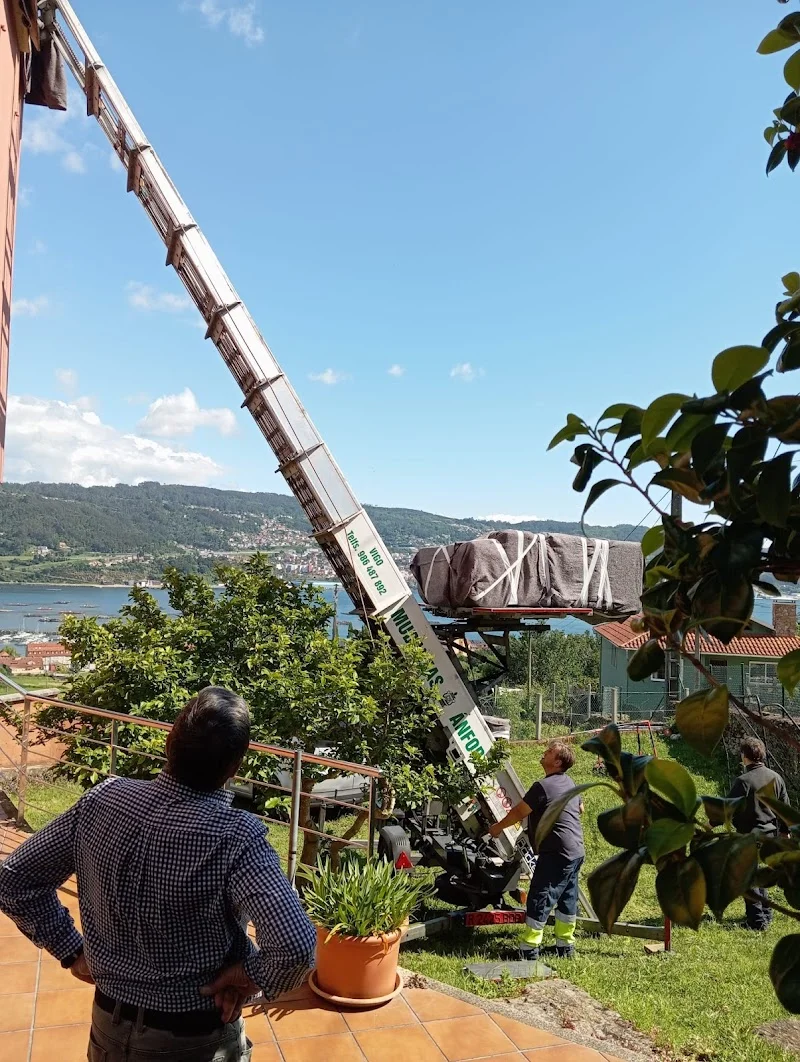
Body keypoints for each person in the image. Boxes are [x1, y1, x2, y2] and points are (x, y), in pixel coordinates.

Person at [0, 686, 316, 1062]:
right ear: (235, 767)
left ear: (169, 743)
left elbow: (14, 880)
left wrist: (72, 951)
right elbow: (295, 947)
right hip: (197, 1038)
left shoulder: (102, 800)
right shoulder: (235, 836)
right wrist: (248, 976)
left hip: (109, 1026)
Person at [489, 739, 584, 960]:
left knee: (541, 896)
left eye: (549, 752)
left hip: (556, 852)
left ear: (557, 762)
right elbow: (580, 808)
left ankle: (529, 950)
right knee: (567, 898)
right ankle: (565, 947)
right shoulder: (570, 783)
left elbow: (519, 812)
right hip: (575, 850)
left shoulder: (543, 787)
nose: (544, 752)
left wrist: (497, 828)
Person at [727, 736, 790, 932]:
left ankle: (756, 921)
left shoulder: (743, 781)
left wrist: (708, 825)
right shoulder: (776, 777)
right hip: (770, 835)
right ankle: (766, 914)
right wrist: (785, 833)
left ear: (744, 756)